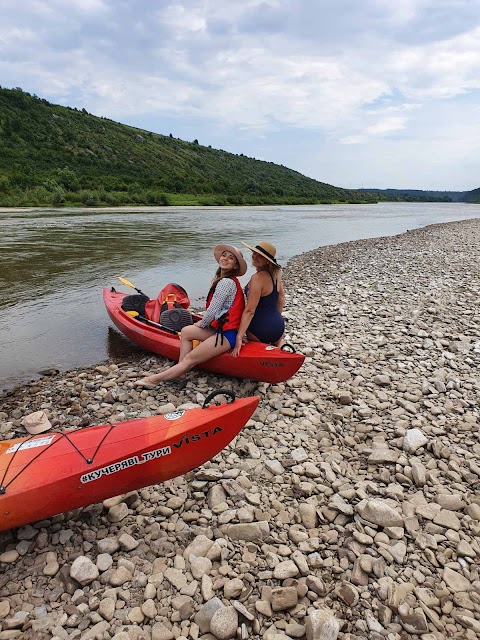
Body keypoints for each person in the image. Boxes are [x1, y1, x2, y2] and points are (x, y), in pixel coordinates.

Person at [134, 244, 247, 388]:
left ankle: (153, 380)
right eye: (224, 255)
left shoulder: (225, 283)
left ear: (235, 266)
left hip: (227, 335)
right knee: (187, 331)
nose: (225, 259)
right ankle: (180, 374)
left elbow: (212, 311)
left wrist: (201, 323)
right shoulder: (224, 280)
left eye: (231, 258)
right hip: (220, 329)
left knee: (190, 358)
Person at [232, 240, 285, 358]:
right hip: (278, 327)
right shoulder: (276, 275)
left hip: (260, 330)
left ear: (267, 261)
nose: (255, 257)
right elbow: (281, 299)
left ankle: (263, 349)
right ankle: (281, 347)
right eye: (254, 254)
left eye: (260, 256)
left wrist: (239, 337)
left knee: (244, 334)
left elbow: (250, 310)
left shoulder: (257, 278)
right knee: (277, 342)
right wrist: (275, 319)